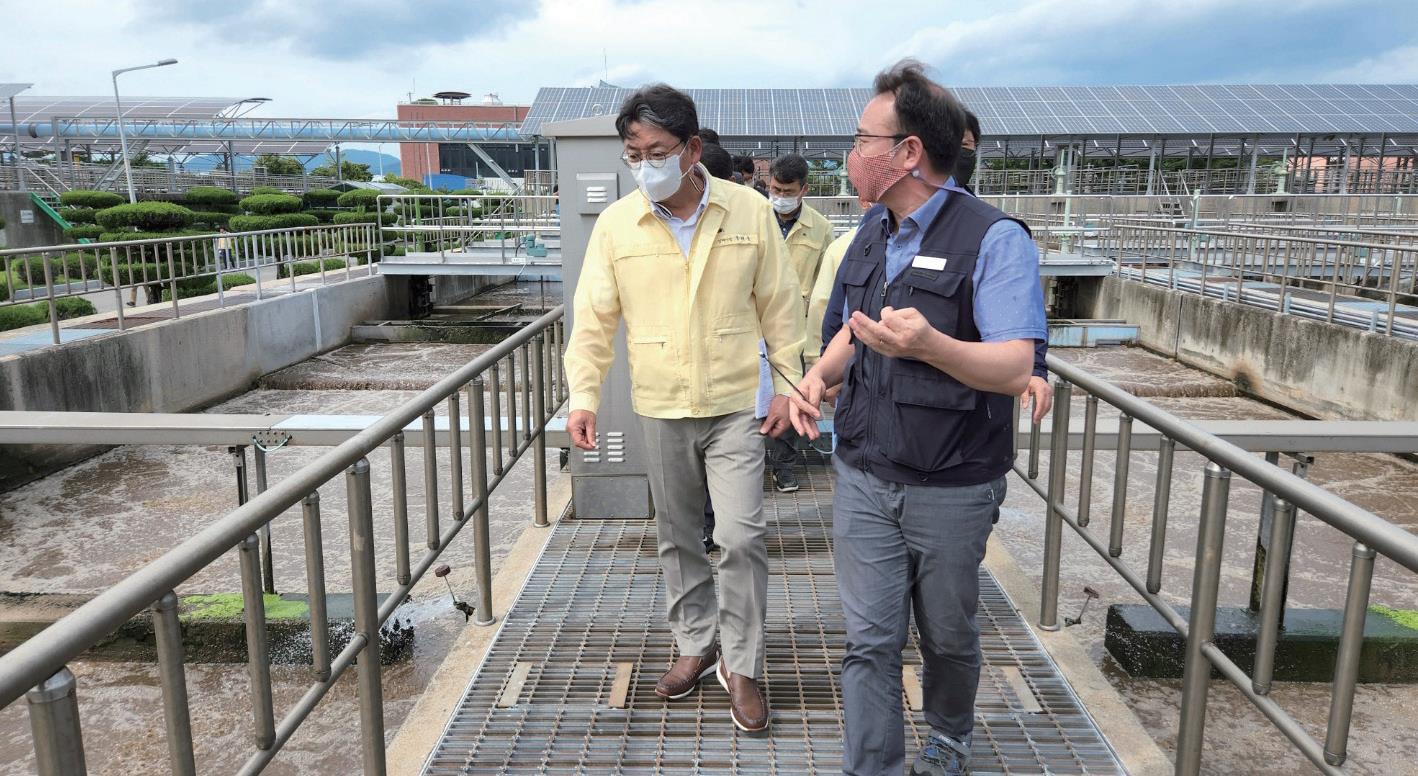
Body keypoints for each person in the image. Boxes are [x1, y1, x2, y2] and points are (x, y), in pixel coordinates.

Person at [786, 60, 1047, 776]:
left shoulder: (995, 240)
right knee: (869, 640)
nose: (852, 153)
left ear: (907, 152)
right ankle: (871, 765)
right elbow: (852, 328)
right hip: (865, 469)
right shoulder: (873, 231)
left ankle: (950, 734)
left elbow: (1016, 365)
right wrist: (817, 376)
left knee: (948, 634)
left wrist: (931, 345)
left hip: (953, 483)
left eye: (864, 138)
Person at [563, 84, 804, 734]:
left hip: (733, 405)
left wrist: (789, 385)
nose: (645, 165)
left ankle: (744, 665)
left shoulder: (748, 212)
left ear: (693, 150)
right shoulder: (619, 225)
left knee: (740, 537)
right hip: (662, 405)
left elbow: (781, 306)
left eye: (658, 151)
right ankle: (696, 644)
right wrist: (583, 396)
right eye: (634, 153)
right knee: (676, 537)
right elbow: (591, 318)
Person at [960, 111, 1054, 423]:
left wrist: (1036, 370)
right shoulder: (883, 225)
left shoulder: (998, 234)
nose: (960, 154)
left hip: (974, 408)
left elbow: (1025, 314)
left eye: (967, 146)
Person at [753, 152, 833, 492]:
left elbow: (825, 287)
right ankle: (748, 463)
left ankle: (784, 465)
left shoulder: (821, 229)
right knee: (752, 396)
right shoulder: (755, 219)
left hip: (798, 330)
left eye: (787, 191)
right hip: (755, 326)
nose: (779, 197)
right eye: (775, 189)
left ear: (804, 190)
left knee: (792, 394)